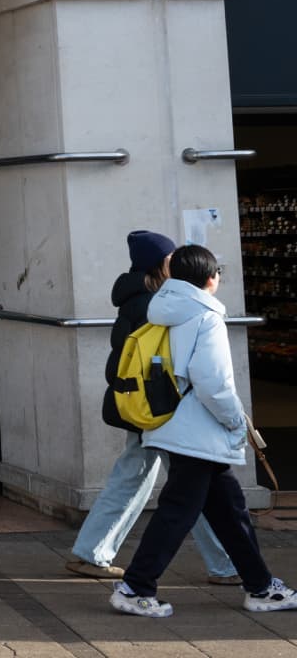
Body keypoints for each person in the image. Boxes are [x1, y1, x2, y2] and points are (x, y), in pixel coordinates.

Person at [111, 244, 297, 618]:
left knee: (230, 510)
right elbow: (212, 382)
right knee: (178, 512)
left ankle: (260, 586)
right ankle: (135, 587)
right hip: (199, 430)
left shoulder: (163, 310)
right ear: (210, 278)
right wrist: (234, 419)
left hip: (176, 423)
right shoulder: (206, 317)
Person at [67, 230, 238, 583]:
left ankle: (91, 552)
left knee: (137, 477)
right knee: (194, 481)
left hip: (142, 404)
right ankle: (226, 564)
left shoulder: (137, 298)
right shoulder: (161, 304)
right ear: (162, 264)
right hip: (165, 407)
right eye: (170, 256)